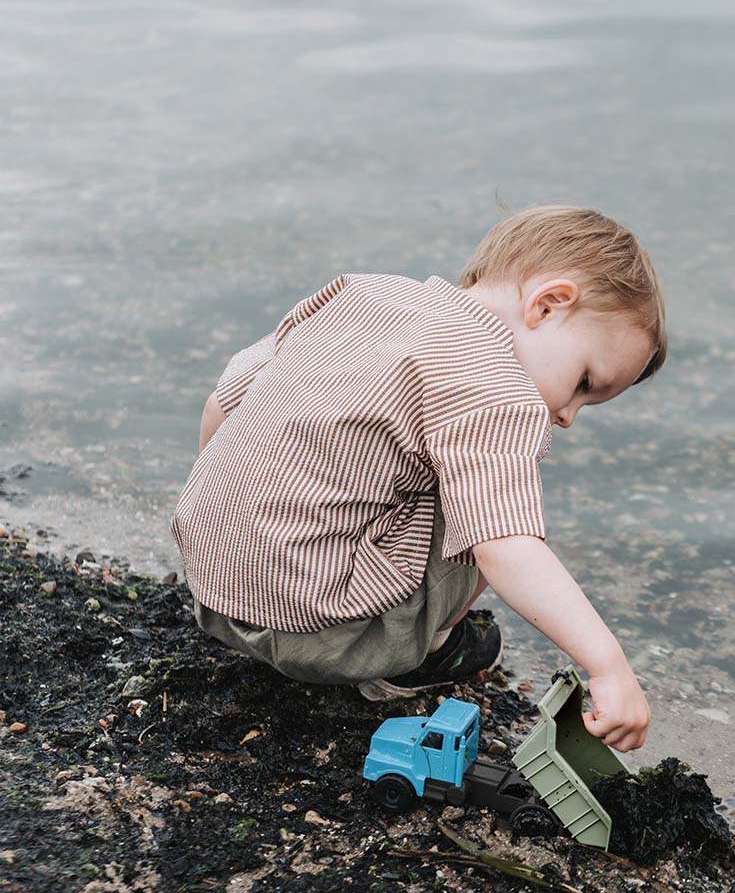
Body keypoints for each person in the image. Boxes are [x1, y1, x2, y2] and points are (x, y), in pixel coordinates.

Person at [170, 205, 667, 752]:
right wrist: (609, 665)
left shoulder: (362, 293)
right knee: (500, 508)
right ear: (548, 305)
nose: (569, 415)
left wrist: (230, 516)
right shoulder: (497, 388)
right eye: (585, 382)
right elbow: (505, 545)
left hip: (210, 588)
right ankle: (426, 651)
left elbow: (226, 400)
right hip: (319, 638)